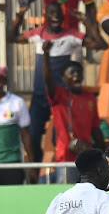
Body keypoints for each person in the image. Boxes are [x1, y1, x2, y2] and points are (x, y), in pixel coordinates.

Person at [7, 0, 107, 162]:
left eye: (58, 14)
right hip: (40, 97)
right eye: (52, 13)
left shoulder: (71, 35)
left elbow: (101, 45)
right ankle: (37, 173)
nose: (55, 17)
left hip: (61, 100)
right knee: (32, 137)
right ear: (45, 16)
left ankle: (58, 172)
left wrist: (86, 22)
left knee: (61, 140)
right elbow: (11, 38)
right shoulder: (38, 34)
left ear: (63, 17)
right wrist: (21, 14)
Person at [42, 41, 104, 183]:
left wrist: (102, 153)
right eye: (72, 73)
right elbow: (47, 81)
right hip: (66, 159)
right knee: (69, 200)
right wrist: (46, 55)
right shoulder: (59, 95)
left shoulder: (90, 98)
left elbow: (95, 129)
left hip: (87, 159)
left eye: (79, 72)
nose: (76, 75)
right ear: (64, 78)